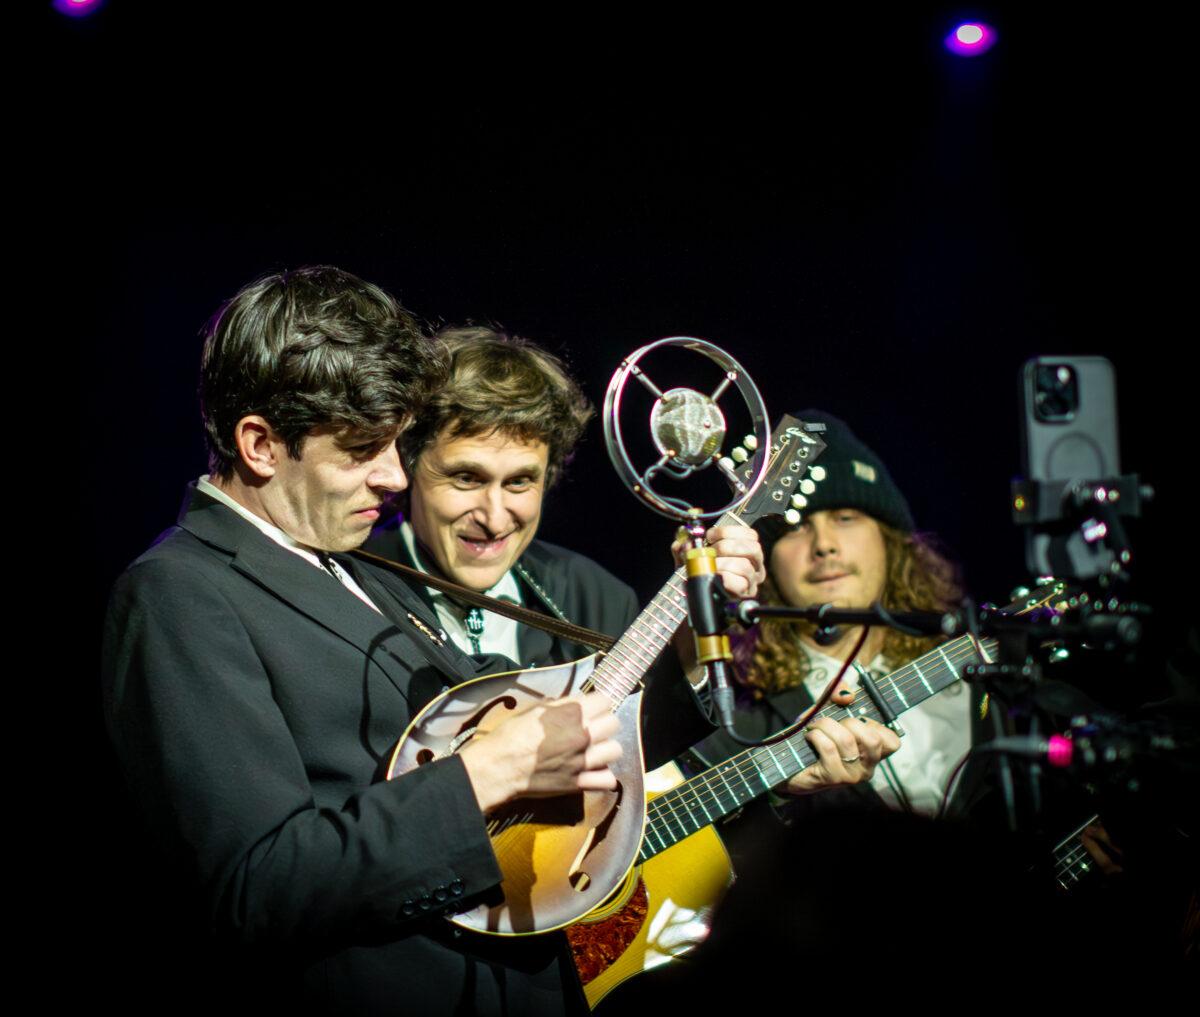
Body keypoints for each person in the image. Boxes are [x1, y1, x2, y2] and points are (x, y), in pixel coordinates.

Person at [102, 269, 625, 1015]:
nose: (392, 475)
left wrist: (692, 668)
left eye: (396, 443)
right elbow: (255, 889)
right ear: (259, 442)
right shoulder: (177, 592)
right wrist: (481, 776)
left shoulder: (352, 562)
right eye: (360, 449)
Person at [709, 408, 967, 813]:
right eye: (797, 527)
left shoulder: (975, 682)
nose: (824, 545)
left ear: (891, 544)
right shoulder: (731, 719)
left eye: (845, 518)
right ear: (767, 565)